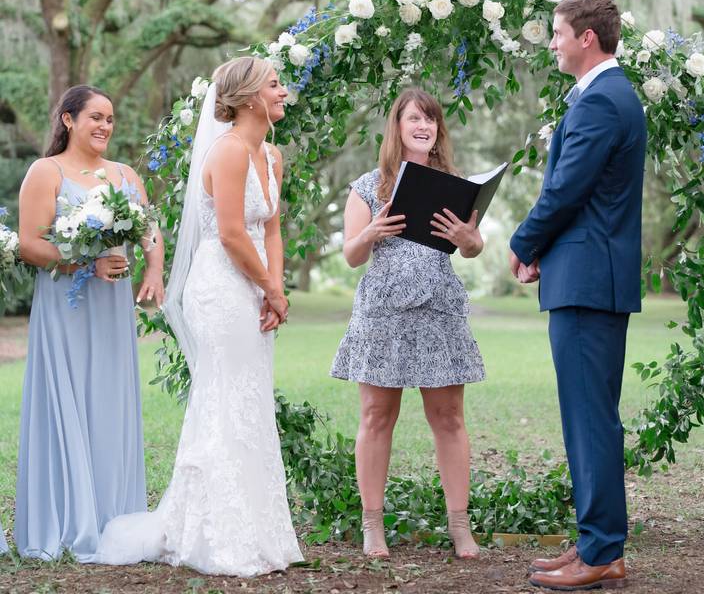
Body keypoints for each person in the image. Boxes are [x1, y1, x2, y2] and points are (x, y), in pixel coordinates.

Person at [94, 57, 302, 576]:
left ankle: (260, 531)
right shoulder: (227, 151)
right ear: (250, 98)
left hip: (254, 285)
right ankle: (216, 534)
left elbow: (271, 230)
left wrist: (275, 291)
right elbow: (231, 233)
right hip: (222, 286)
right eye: (275, 85)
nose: (283, 92)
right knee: (225, 399)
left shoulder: (272, 155)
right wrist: (269, 290)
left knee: (250, 402)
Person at [509, 0, 645, 591]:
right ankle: (594, 542)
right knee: (585, 416)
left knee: (591, 420)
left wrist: (524, 242)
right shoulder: (602, 97)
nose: (553, 43)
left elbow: (566, 188)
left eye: (558, 33)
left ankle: (603, 553)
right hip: (583, 272)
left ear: (587, 37)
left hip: (590, 280)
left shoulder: (603, 101)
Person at [330, 88, 486, 559]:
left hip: (439, 311)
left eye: (431, 119)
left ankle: (460, 525)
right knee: (377, 417)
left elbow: (474, 247)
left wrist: (468, 239)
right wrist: (371, 231)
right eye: (414, 118)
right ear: (397, 127)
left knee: (449, 418)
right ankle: (372, 526)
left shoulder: (456, 185)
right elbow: (352, 256)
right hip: (383, 313)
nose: (424, 126)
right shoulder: (367, 186)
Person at [14, 85, 164, 561]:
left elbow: (149, 228)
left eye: (111, 119)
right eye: (95, 117)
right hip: (67, 306)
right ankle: (67, 515)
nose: (104, 126)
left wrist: (154, 270)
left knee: (108, 399)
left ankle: (112, 515)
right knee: (71, 396)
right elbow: (29, 243)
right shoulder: (46, 172)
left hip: (112, 307)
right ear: (68, 120)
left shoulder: (124, 175)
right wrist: (84, 262)